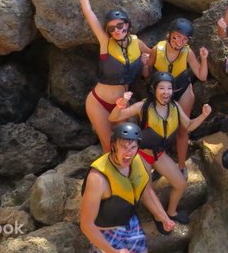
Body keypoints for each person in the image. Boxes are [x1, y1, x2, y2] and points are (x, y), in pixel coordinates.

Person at [108, 73, 211, 225]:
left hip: (159, 154)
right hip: (142, 155)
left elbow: (189, 125)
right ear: (154, 89)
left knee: (181, 184)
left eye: (169, 88)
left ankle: (171, 212)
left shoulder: (175, 107)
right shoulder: (144, 106)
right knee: (147, 192)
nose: (166, 92)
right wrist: (121, 103)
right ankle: (159, 218)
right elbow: (113, 117)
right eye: (161, 88)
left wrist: (203, 115)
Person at [76, 0, 151, 153]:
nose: (116, 30)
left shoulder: (137, 43)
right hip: (98, 102)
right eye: (111, 28)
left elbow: (153, 57)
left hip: (122, 103)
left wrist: (146, 63)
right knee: (109, 146)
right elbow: (88, 12)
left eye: (120, 26)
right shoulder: (105, 42)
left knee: (126, 144)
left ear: (127, 25)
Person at [80, 123, 176, 252]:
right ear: (113, 146)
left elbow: (146, 191)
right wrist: (113, 252)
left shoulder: (136, 160)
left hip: (131, 223)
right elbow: (86, 225)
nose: (128, 153)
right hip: (106, 233)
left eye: (133, 147)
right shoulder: (97, 178)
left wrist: (163, 217)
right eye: (123, 147)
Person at [144, 18, 208, 178]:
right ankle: (159, 164)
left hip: (182, 91)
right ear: (170, 35)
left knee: (182, 130)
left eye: (184, 39)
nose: (180, 42)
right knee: (158, 129)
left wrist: (204, 59)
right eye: (177, 37)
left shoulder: (188, 52)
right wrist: (144, 63)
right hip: (162, 94)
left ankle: (181, 166)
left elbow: (202, 76)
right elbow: (146, 74)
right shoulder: (157, 49)